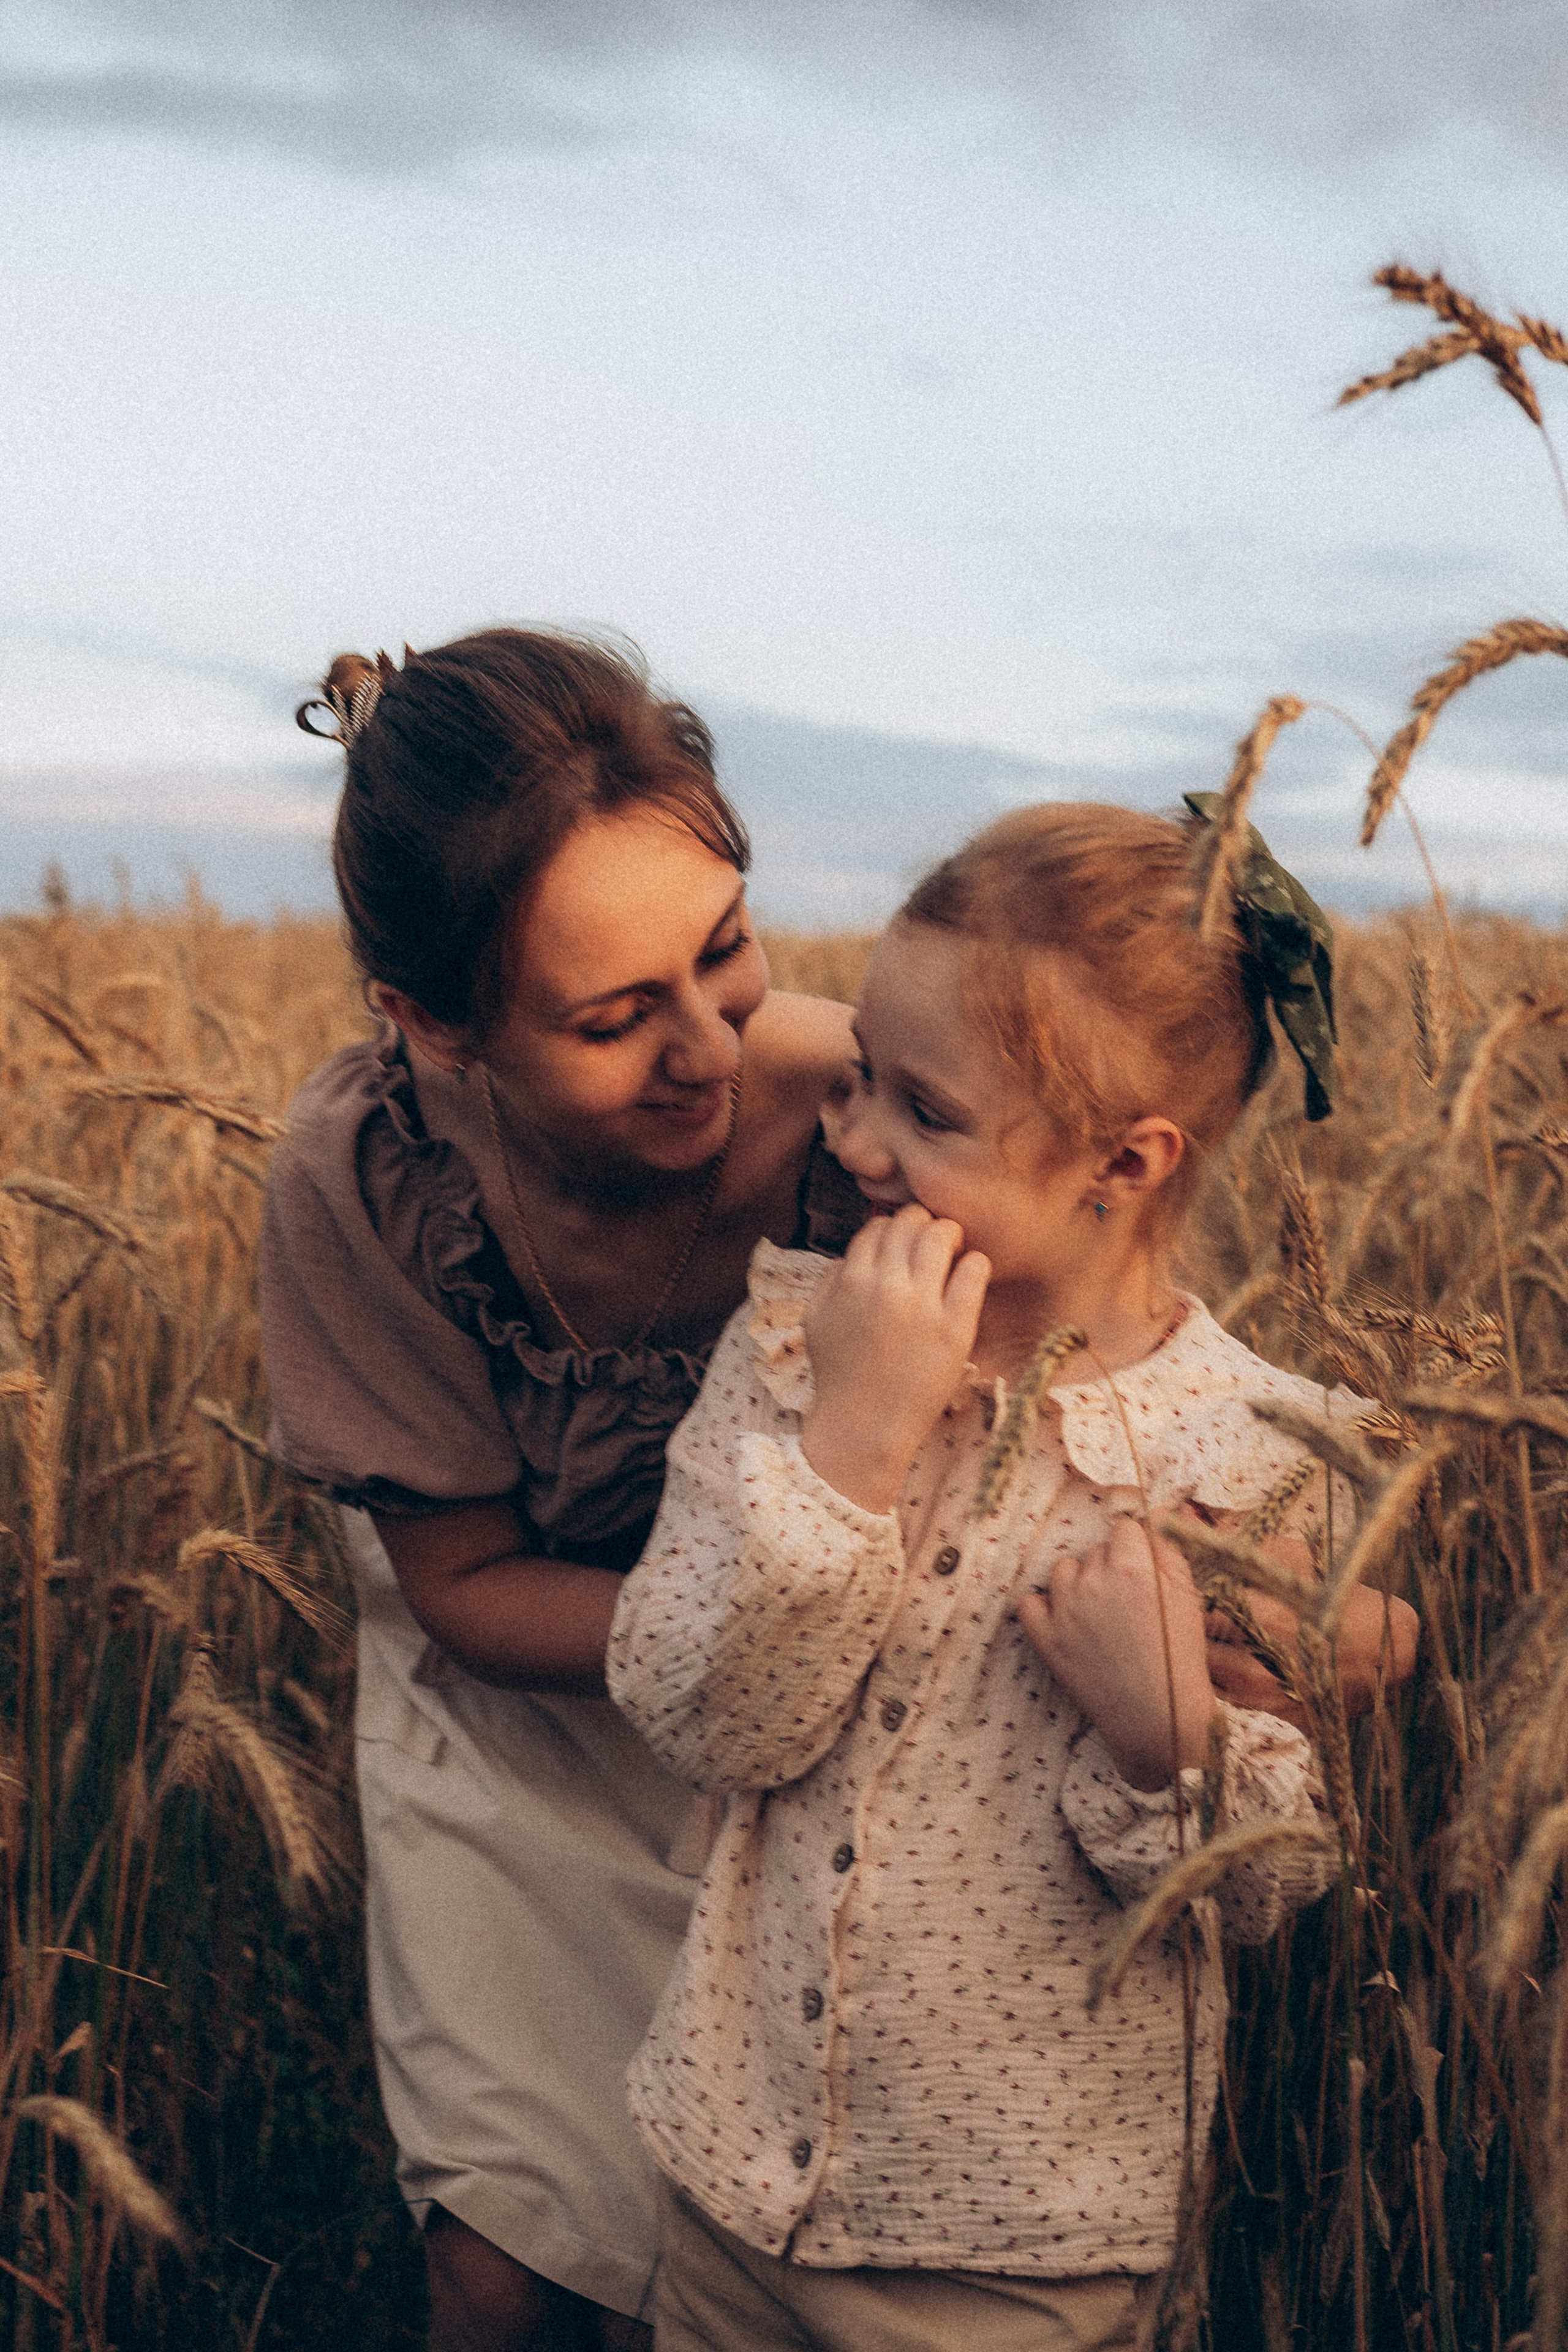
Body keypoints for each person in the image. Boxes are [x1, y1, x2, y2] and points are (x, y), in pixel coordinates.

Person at [262, 644, 1409, 2352]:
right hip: (528, 1701)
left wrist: (1285, 1648)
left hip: (861, 1822)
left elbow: (1271, 1760)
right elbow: (519, 1606)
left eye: (723, 950)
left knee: (717, 2215)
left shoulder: (872, 1109)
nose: (713, 1046)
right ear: (433, 1025)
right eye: (607, 1016)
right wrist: (869, 1592)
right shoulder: (369, 1182)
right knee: (505, 2259)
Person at [606, 800, 1418, 2352]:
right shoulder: (799, 1343)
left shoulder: (1255, 1457)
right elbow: (690, 1712)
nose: (850, 1144)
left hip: (1013, 2254)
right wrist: (848, 1443)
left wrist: (1163, 1734)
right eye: (855, 1083)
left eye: (924, 1111)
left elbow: (1258, 1890)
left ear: (1123, 1160)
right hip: (723, 2188)